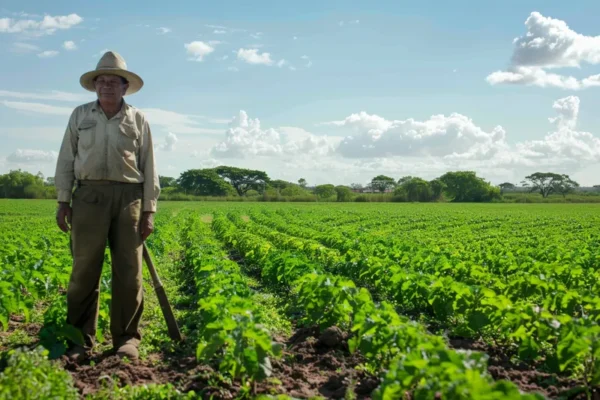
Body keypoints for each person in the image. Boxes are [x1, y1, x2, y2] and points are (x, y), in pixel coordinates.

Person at [54, 51, 160, 362]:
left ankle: (126, 339)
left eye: (114, 82)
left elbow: (149, 164)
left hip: (129, 197)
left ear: (125, 87)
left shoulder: (137, 119)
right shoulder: (80, 115)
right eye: (102, 81)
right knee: (85, 268)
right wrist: (63, 199)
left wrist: (149, 209)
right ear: (95, 85)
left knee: (129, 270)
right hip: (88, 197)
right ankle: (78, 339)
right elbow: (65, 159)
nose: (107, 86)